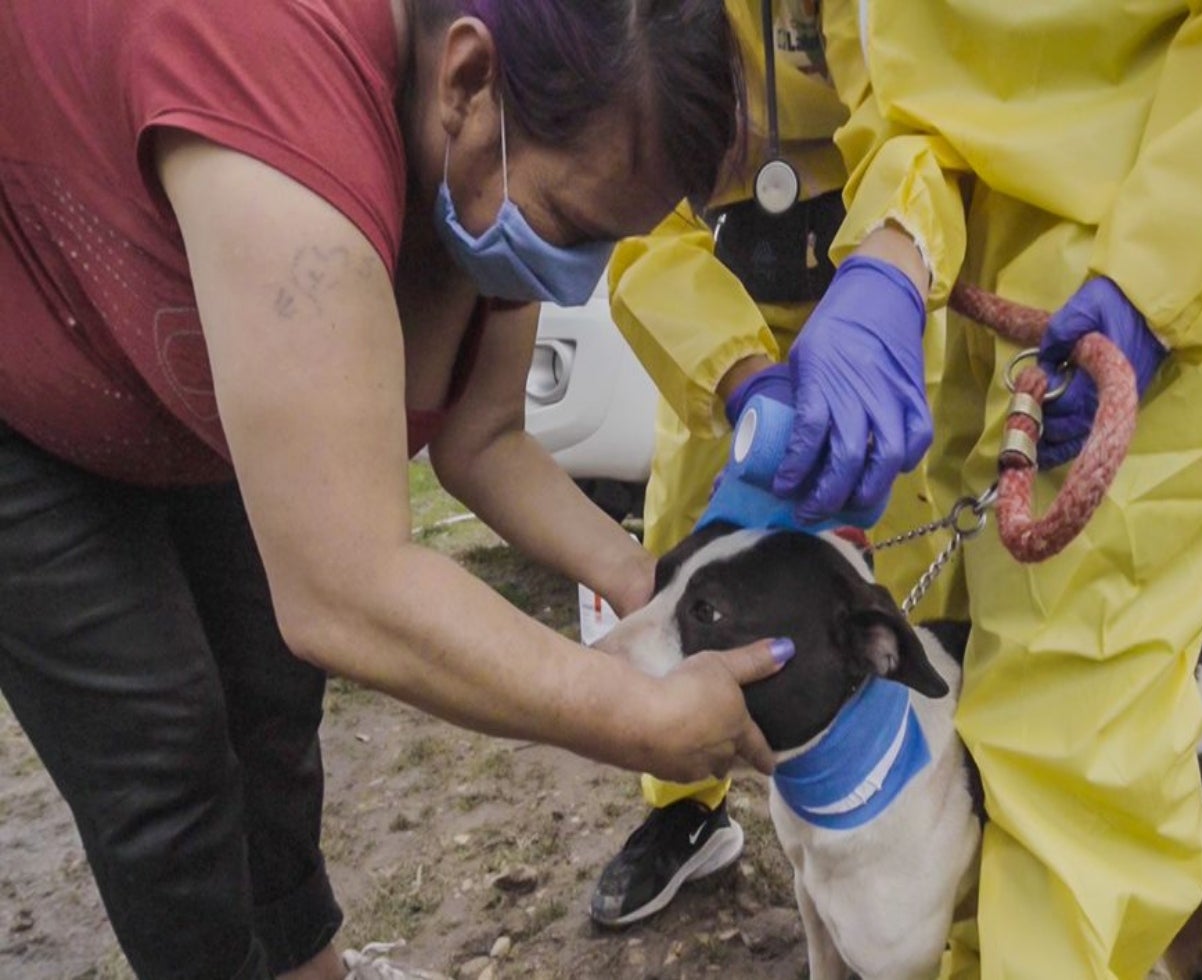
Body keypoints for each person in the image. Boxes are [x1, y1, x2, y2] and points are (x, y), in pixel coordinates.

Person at [602, 1, 1202, 977]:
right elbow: (911, 79)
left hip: (1146, 247)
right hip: (970, 261)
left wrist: (1157, 282)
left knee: (1070, 721)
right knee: (978, 691)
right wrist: (895, 252)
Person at [0, 2, 790, 979]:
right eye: (577, 228)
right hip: (27, 378)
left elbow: (484, 437)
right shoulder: (271, 82)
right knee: (164, 748)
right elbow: (344, 588)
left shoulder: (500, 141)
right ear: (465, 77)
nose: (577, 283)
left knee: (269, 691)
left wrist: (644, 579)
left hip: (180, 384)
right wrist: (632, 713)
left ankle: (306, 962)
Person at [590, 0, 953, 928]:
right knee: (689, 576)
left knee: (894, 591)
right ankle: (686, 814)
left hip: (875, 305)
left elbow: (927, 116)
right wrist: (741, 373)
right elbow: (642, 218)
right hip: (724, 323)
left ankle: (936, 852)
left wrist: (888, 278)